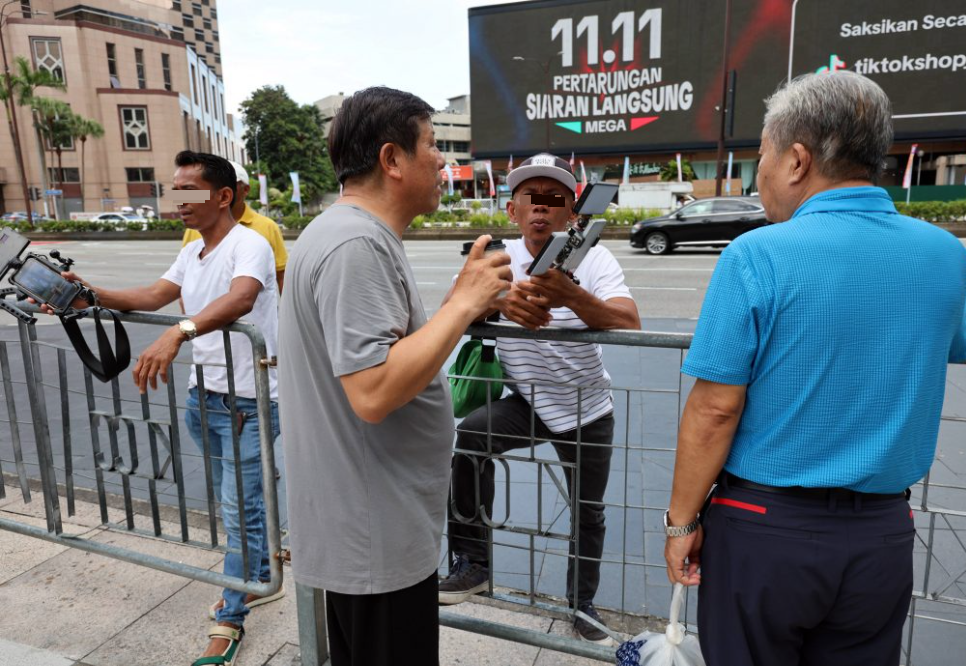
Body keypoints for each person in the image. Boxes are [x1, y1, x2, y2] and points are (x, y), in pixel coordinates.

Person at [664, 71, 966, 666]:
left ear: (797, 160)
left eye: (762, 157)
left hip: (763, 528)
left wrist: (681, 525)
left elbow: (714, 409)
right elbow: (957, 344)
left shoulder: (757, 254)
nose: (760, 176)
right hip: (882, 534)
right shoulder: (945, 253)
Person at [278, 86, 512, 666]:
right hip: (371, 535)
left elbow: (381, 352)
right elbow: (374, 391)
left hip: (367, 523)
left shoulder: (347, 234)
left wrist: (462, 297)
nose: (442, 161)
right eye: (432, 145)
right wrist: (461, 307)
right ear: (392, 159)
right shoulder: (356, 243)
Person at [41, 151, 282, 666]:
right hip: (205, 397)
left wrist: (180, 331)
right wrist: (85, 295)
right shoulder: (193, 249)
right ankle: (261, 578)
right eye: (175, 191)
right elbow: (153, 294)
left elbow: (241, 300)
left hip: (247, 400)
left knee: (240, 509)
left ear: (222, 196)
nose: (179, 202)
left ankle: (231, 618)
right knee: (241, 502)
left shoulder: (250, 244)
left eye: (189, 191)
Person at [438, 153, 640, 646]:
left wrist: (571, 296)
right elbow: (448, 314)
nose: (541, 208)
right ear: (512, 210)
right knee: (469, 438)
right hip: (526, 403)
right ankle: (473, 562)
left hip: (586, 408)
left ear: (572, 210)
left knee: (587, 511)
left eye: (554, 198)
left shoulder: (592, 257)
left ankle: (581, 604)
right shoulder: (494, 257)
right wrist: (492, 300)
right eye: (531, 197)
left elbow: (629, 320)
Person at [182, 160, 288, 293]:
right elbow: (185, 275)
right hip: (204, 312)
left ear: (246, 190)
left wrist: (287, 312)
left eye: (230, 184)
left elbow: (281, 275)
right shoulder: (194, 229)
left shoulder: (267, 227)